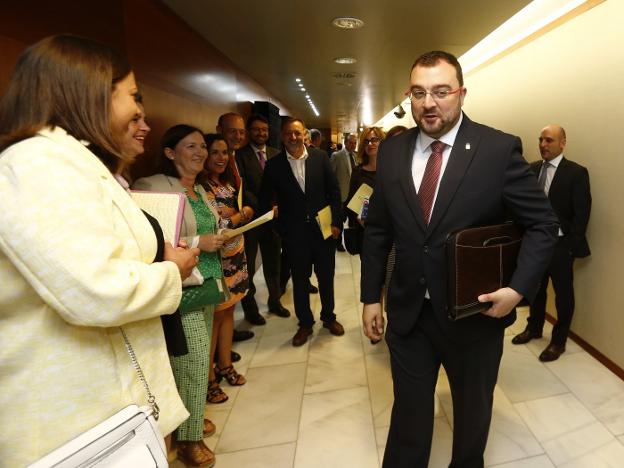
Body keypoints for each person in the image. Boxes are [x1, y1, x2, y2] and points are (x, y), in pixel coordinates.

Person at [0, 34, 197, 467]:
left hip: (105, 411)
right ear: (89, 91)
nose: (141, 111)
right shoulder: (37, 165)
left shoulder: (75, 164)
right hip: (68, 429)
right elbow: (95, 289)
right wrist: (172, 269)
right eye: (132, 96)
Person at [360, 50, 558, 467]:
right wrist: (369, 297)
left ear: (461, 94)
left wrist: (518, 289)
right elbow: (378, 229)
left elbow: (542, 225)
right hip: (409, 314)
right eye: (418, 93)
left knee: (471, 416)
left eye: (441, 91)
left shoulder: (497, 149)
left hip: (474, 316)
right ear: (408, 97)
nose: (429, 103)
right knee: (409, 415)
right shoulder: (393, 154)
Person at [133, 125, 228, 467]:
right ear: (171, 152)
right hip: (182, 287)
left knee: (197, 361)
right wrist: (198, 243)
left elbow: (210, 231)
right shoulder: (154, 187)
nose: (201, 152)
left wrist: (228, 238)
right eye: (192, 146)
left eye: (203, 146)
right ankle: (189, 441)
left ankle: (191, 416)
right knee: (194, 359)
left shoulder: (201, 190)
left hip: (208, 282)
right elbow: (153, 243)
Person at [259, 118, 345, 347]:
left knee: (326, 277)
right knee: (299, 280)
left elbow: (334, 192)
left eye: (297, 133)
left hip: (323, 231)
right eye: (288, 134)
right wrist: (280, 230)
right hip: (294, 235)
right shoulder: (274, 165)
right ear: (282, 136)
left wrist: (336, 222)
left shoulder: (320, 158)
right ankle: (305, 323)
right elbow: (264, 202)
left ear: (305, 134)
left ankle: (329, 318)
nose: (293, 138)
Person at [512, 125, 591, 361]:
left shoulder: (576, 173)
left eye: (549, 140)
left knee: (563, 295)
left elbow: (582, 213)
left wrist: (570, 247)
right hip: (534, 243)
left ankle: (558, 341)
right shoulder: (532, 169)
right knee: (535, 289)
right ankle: (534, 329)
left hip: (560, 246)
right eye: (541, 140)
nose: (543, 145)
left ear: (562, 143)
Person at [203, 133, 250, 396]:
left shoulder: (229, 184)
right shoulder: (202, 188)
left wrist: (244, 214)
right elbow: (215, 225)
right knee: (217, 314)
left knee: (230, 311)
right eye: (215, 153)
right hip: (216, 259)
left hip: (235, 255)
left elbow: (231, 216)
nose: (221, 158)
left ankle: (225, 365)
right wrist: (239, 216)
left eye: (225, 153)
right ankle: (210, 376)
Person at [236, 114, 290, 325]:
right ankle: (250, 309)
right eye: (257, 129)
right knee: (248, 266)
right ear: (250, 132)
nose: (261, 133)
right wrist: (265, 206)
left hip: (274, 219)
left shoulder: (277, 154)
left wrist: (278, 207)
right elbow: (243, 188)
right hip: (251, 220)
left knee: (273, 262)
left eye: (264, 130)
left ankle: (275, 301)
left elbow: (283, 184)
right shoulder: (240, 156)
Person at [216, 112, 254, 342]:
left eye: (241, 131)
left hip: (236, 236)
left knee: (230, 298)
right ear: (220, 129)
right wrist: (240, 215)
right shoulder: (217, 163)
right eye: (233, 131)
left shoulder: (236, 157)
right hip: (221, 238)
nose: (238, 136)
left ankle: (225, 342)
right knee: (221, 300)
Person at [345, 127, 386, 254]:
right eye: (366, 141)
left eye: (374, 140)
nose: (370, 144)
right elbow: (353, 203)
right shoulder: (358, 172)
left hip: (388, 230)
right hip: (365, 230)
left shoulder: (390, 170)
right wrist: (363, 220)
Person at [331, 133, 358, 252]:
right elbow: (331, 175)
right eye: (351, 142)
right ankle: (338, 244)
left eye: (355, 143)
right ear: (346, 143)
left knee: (353, 220)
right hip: (341, 195)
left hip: (354, 195)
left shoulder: (356, 156)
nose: (353, 145)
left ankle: (352, 242)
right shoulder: (337, 155)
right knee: (340, 221)